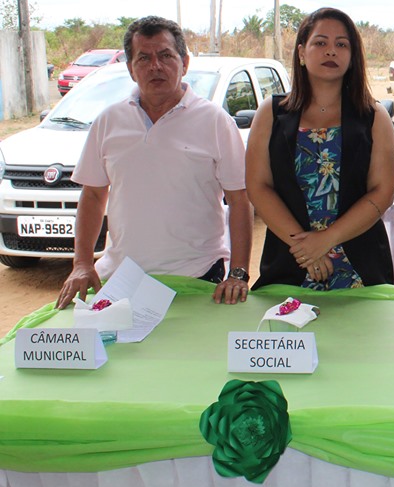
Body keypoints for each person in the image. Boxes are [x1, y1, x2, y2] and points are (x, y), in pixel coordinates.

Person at [56, 16, 253, 310]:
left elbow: (240, 200)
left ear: (184, 63)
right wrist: (82, 263)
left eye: (165, 56)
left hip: (198, 277)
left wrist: (238, 272)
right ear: (131, 69)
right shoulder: (109, 121)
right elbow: (93, 195)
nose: (155, 66)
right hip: (122, 278)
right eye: (143, 58)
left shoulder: (215, 121)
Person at [245, 7, 394, 290]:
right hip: (290, 262)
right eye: (320, 42)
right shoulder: (271, 113)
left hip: (361, 268)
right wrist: (306, 250)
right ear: (302, 53)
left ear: (352, 57)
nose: (331, 51)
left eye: (341, 44)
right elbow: (258, 187)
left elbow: (383, 192)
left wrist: (326, 240)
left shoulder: (374, 116)